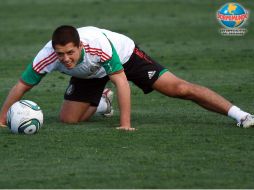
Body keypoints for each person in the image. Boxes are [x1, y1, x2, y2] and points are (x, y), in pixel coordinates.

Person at [0, 25, 253, 131]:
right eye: (60, 54)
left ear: (80, 46)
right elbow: (22, 85)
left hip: (124, 56)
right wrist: (1, 119)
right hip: (89, 73)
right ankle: (102, 102)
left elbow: (121, 80)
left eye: (70, 52)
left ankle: (240, 115)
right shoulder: (47, 56)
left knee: (179, 89)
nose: (64, 58)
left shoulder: (98, 46)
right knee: (69, 120)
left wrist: (125, 124)